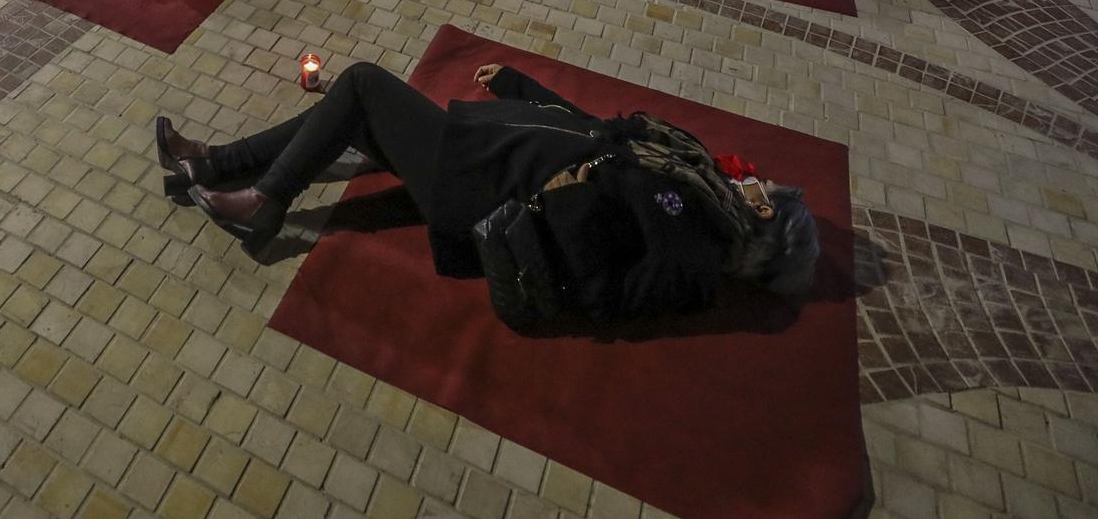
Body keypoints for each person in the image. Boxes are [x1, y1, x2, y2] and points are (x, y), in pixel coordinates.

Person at [162, 61, 823, 325]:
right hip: (493, 152)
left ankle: (263, 204)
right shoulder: (697, 184)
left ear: (763, 214)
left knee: (363, 86)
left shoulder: (692, 244)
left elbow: (609, 292)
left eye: (764, 191)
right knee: (360, 109)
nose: (754, 181)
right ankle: (214, 163)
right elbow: (602, 132)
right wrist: (523, 86)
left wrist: (560, 208)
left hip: (480, 185)